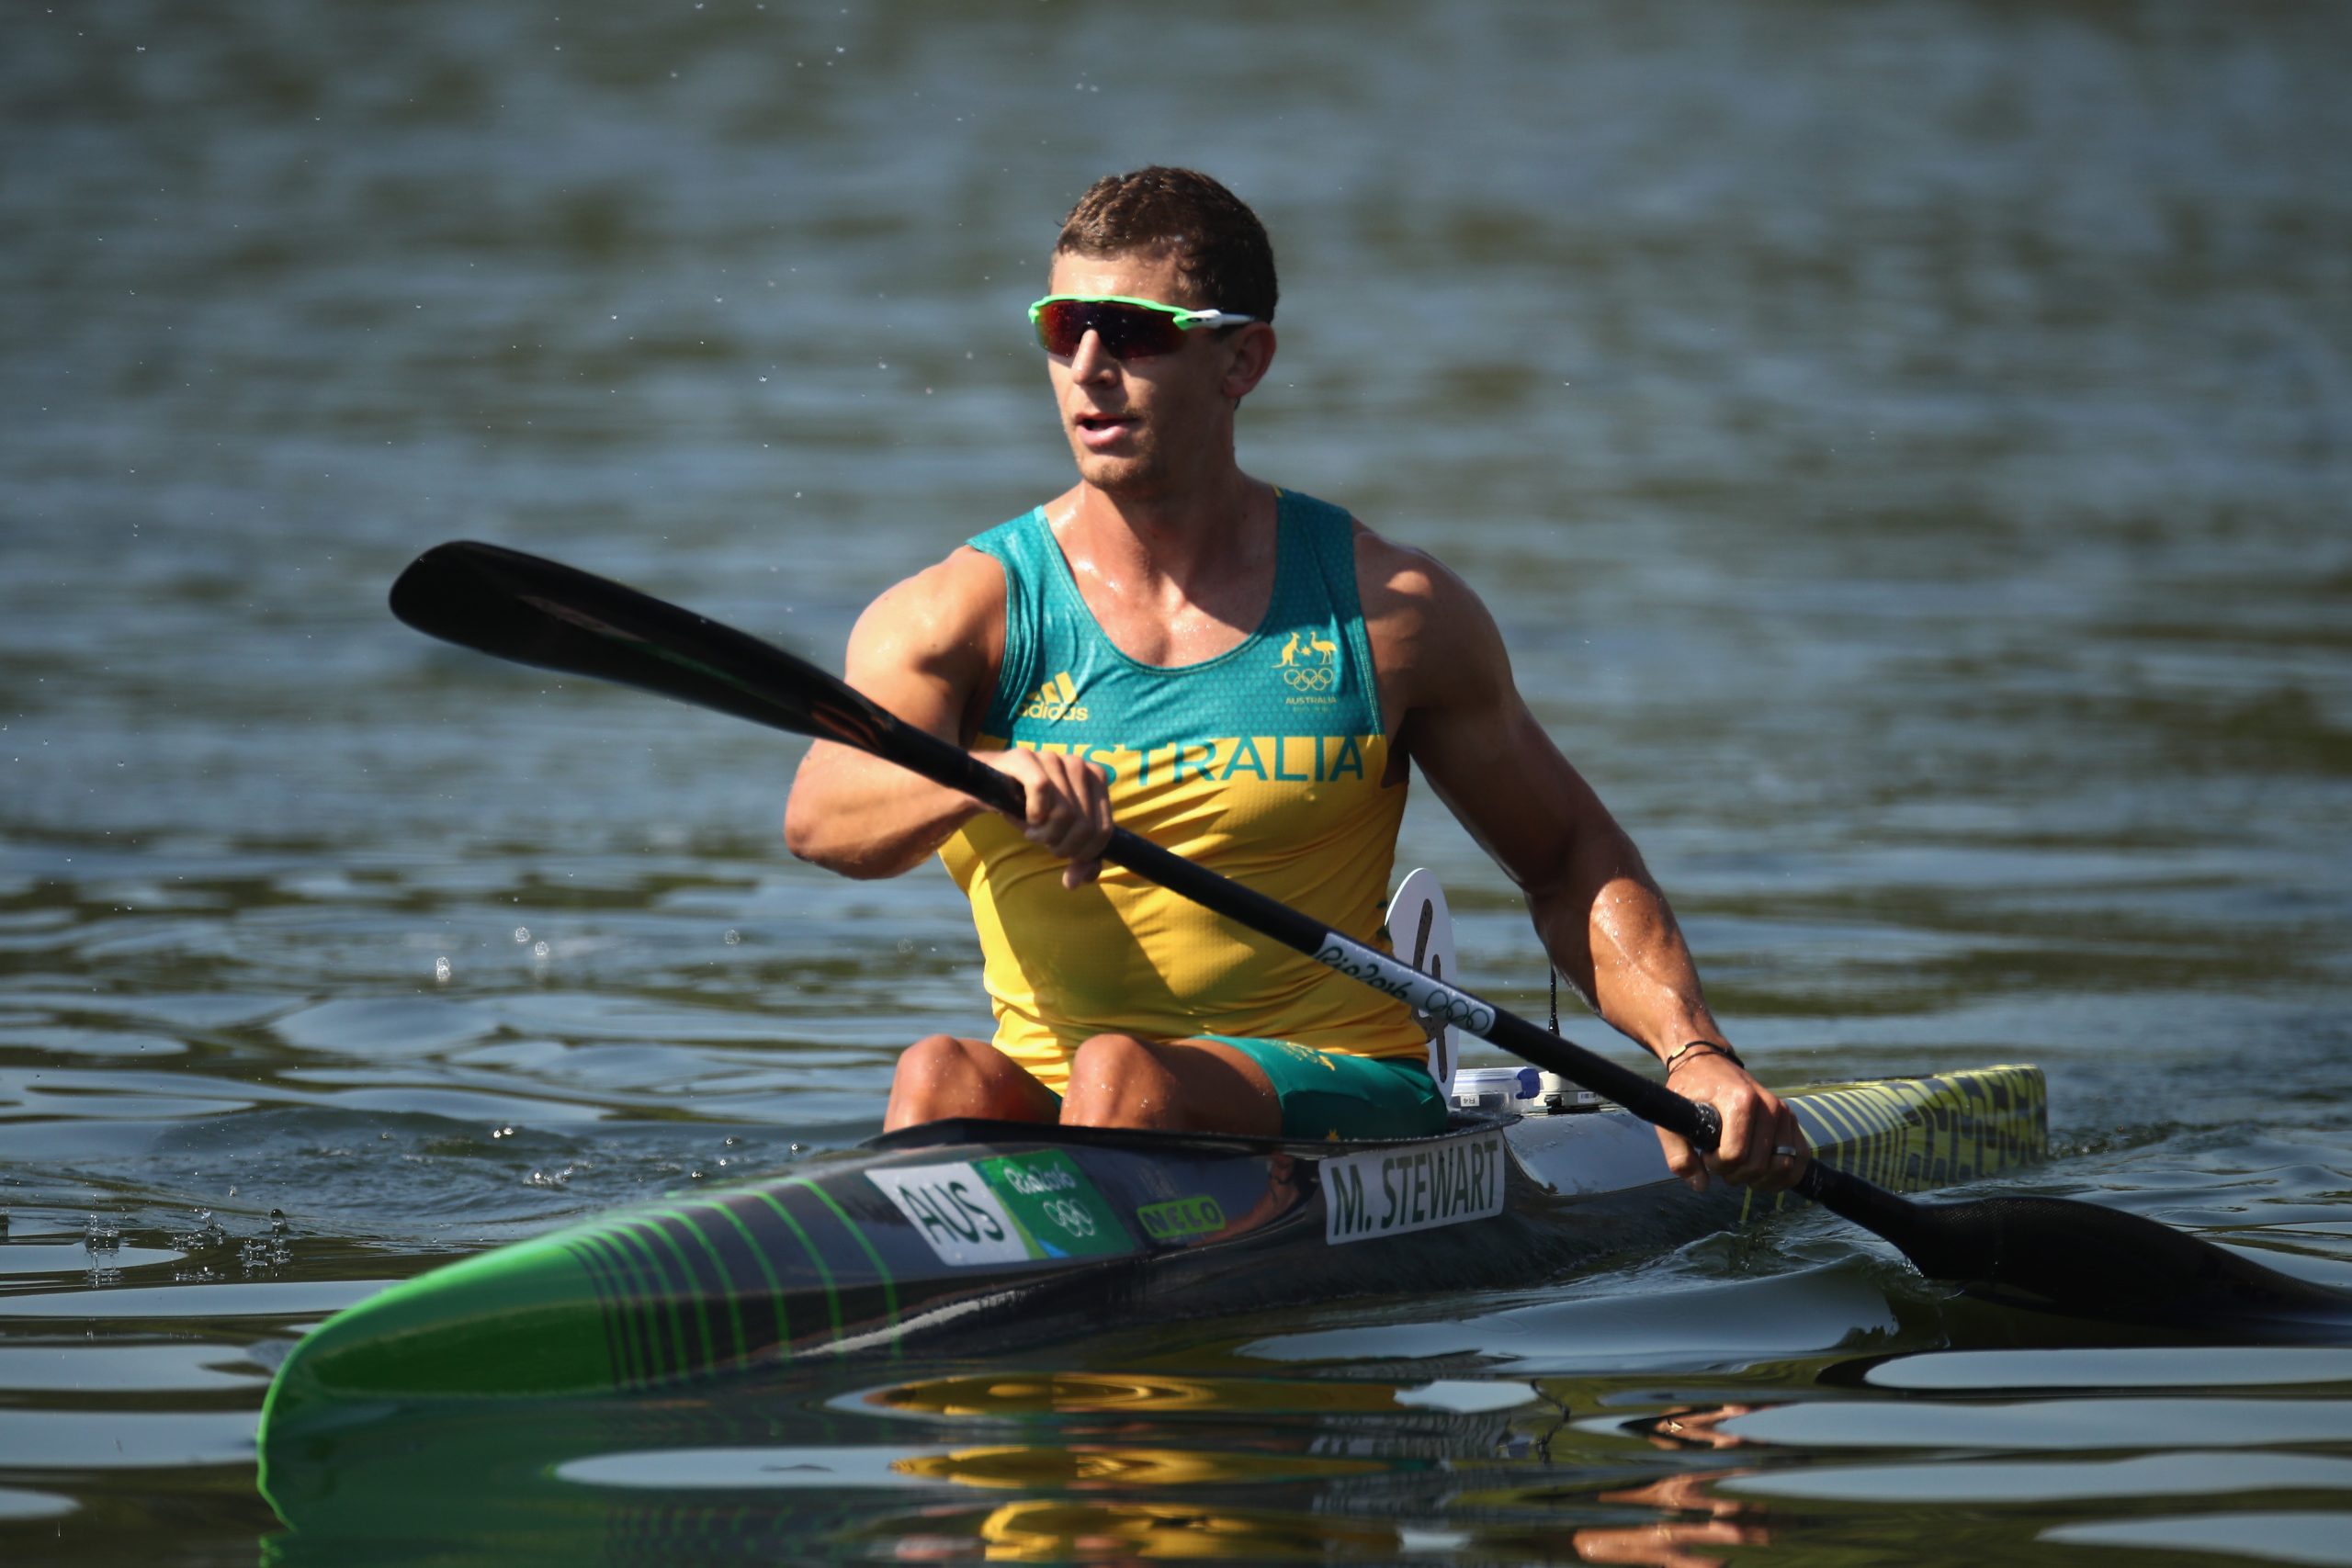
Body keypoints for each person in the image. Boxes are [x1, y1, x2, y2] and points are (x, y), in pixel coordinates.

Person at [784, 166, 1808, 1193]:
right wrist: (987, 776)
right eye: (1062, 330)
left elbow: (1568, 856)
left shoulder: (1391, 612)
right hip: (1082, 1096)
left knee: (1121, 1072)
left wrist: (1694, 1053)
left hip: (1344, 1095)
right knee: (939, 1072)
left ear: (1242, 359)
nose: (1089, 368)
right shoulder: (963, 613)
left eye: (1134, 332)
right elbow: (824, 818)